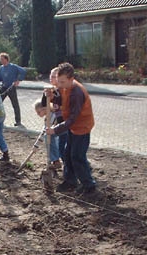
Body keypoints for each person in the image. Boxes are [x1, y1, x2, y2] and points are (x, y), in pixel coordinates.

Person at [46, 62, 96, 194]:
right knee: (67, 154)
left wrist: (55, 129)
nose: (59, 85)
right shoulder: (65, 87)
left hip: (82, 127)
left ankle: (88, 185)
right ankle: (70, 181)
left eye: (62, 82)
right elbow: (62, 101)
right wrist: (52, 98)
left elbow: (72, 118)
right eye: (58, 81)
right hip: (73, 127)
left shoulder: (77, 93)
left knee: (77, 156)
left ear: (71, 79)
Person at [0, 52, 26, 127]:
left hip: (11, 88)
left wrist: (18, 80)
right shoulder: (1, 68)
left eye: (2, 59)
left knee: (15, 105)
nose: (1, 61)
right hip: (4, 87)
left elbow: (23, 71)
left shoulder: (13, 67)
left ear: (6, 59)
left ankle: (18, 121)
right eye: (0, 59)